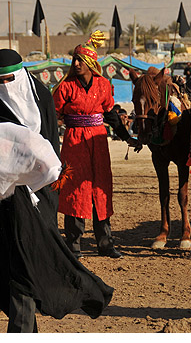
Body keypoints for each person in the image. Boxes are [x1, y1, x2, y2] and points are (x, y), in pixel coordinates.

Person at [0, 48, 113, 333]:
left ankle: (24, 328)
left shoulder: (39, 96)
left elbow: (50, 148)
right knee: (6, 262)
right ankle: (26, 327)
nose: (3, 87)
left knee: (24, 261)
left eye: (8, 80)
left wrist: (43, 189)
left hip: (33, 197)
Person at [53, 30, 141, 259]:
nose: (76, 63)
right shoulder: (65, 87)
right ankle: (73, 244)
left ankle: (105, 243)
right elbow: (53, 116)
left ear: (91, 63)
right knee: (74, 190)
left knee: (100, 189)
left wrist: (126, 137)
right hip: (74, 142)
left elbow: (110, 114)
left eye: (80, 60)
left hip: (99, 141)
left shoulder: (103, 85)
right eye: (75, 59)